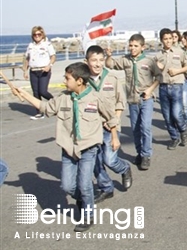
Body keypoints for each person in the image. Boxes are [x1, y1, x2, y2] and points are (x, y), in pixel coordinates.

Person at [15, 62, 117, 232]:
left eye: (67, 78)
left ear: (79, 81)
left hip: (88, 148)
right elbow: (45, 108)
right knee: (67, 186)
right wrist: (24, 94)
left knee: (85, 185)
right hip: (68, 148)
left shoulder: (96, 98)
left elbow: (111, 118)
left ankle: (88, 214)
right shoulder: (63, 97)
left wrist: (114, 137)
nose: (64, 81)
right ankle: (85, 200)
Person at [105, 34, 161, 171]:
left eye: (136, 46)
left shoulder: (149, 61)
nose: (132, 48)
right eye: (130, 45)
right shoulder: (125, 60)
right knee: (136, 129)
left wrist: (150, 89)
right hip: (132, 100)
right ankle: (140, 153)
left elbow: (159, 76)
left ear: (143, 47)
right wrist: (108, 56)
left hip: (146, 99)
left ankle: (146, 155)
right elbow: (110, 65)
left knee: (145, 127)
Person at [85, 45, 131, 205]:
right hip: (91, 128)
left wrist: (115, 121)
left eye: (100, 60)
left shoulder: (112, 78)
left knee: (110, 160)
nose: (97, 64)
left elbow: (120, 101)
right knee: (95, 161)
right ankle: (106, 188)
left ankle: (124, 169)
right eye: (94, 60)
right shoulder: (83, 80)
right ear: (87, 61)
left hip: (110, 127)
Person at [155, 28, 187, 150]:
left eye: (170, 38)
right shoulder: (158, 55)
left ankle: (183, 129)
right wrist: (157, 67)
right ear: (161, 40)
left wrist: (177, 71)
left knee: (176, 114)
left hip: (176, 86)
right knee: (167, 116)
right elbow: (154, 73)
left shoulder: (179, 52)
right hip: (163, 87)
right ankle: (174, 138)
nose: (168, 41)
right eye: (165, 39)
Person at [23, 26, 56, 119]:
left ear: (42, 34)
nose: (37, 36)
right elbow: (27, 58)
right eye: (35, 34)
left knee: (43, 91)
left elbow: (53, 56)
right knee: (36, 93)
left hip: (43, 70)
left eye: (39, 34)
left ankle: (55, 103)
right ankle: (39, 112)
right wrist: (25, 70)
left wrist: (49, 66)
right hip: (33, 71)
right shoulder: (30, 46)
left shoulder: (47, 44)